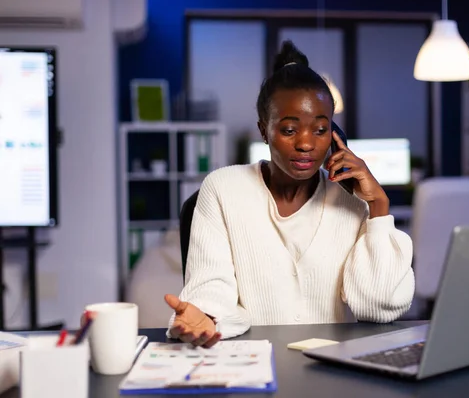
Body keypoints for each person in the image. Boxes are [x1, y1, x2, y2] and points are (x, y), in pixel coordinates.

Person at [164, 40, 415, 348]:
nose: (306, 144)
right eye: (289, 130)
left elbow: (379, 306)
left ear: (335, 136)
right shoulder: (222, 189)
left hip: (332, 371)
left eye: (320, 130)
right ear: (263, 130)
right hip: (255, 362)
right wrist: (207, 317)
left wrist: (378, 207)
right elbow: (211, 286)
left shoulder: (352, 200)